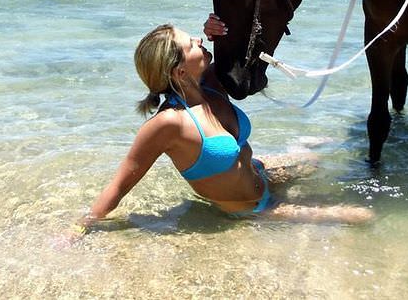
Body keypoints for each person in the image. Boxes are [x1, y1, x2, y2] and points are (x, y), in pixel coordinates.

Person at [75, 21, 372, 234]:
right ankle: (299, 156)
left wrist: (216, 28)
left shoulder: (213, 84)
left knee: (315, 162)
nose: (198, 42)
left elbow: (245, 41)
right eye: (191, 43)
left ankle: (300, 149)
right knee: (361, 216)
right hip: (252, 207)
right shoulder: (170, 123)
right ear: (180, 71)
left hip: (261, 170)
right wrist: (81, 227)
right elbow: (119, 184)